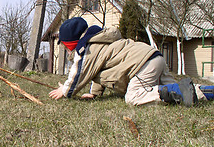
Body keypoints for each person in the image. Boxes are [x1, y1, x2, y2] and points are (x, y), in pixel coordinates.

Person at [49, 17, 214, 106]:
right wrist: (94, 94)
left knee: (134, 97)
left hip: (143, 65)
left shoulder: (86, 48)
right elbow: (96, 71)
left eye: (64, 44)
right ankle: (207, 91)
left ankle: (185, 91)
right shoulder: (100, 40)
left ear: (70, 42)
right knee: (182, 95)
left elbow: (79, 74)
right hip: (155, 58)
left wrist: (65, 90)